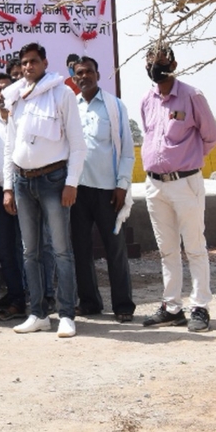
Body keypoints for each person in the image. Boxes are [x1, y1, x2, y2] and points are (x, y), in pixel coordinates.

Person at [2, 43, 87, 338]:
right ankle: (38, 313)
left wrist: (71, 182)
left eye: (33, 62)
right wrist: (8, 187)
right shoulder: (16, 97)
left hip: (54, 181)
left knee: (61, 251)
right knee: (30, 252)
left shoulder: (62, 93)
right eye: (24, 63)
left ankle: (66, 314)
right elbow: (10, 147)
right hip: (23, 182)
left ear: (44, 62)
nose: (28, 67)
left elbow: (77, 145)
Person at [139, 45, 216, 332]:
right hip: (155, 186)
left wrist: (188, 163)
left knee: (195, 247)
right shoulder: (147, 99)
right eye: (149, 61)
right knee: (167, 250)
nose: (154, 66)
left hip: (185, 183)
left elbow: (211, 137)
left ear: (172, 63)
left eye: (160, 61)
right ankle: (172, 306)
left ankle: (199, 307)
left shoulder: (191, 96)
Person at [70, 57, 136, 322]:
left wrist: (122, 185)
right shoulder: (71, 107)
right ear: (74, 78)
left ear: (98, 75)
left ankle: (122, 306)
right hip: (78, 190)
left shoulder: (114, 106)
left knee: (114, 248)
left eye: (89, 72)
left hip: (108, 190)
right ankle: (89, 303)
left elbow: (127, 151)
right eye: (79, 73)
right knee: (80, 249)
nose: (84, 76)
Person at [0, 73, 26, 321]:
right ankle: (16, 297)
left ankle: (40, 297)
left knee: (29, 250)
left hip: (25, 192)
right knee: (4, 251)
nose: (1, 93)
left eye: (5, 88)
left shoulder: (22, 115)